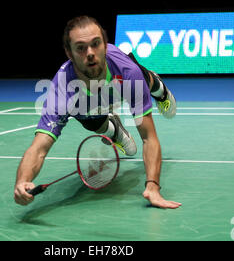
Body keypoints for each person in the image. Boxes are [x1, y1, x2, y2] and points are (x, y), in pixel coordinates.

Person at [14, 16, 181, 209]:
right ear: (69, 53)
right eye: (81, 47)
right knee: (89, 119)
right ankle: (114, 129)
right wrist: (22, 181)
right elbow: (39, 147)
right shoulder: (61, 90)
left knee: (144, 79)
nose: (90, 53)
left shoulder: (127, 71)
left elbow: (148, 137)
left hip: (119, 86)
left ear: (105, 45)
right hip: (88, 104)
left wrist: (153, 186)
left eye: (96, 44)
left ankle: (159, 89)